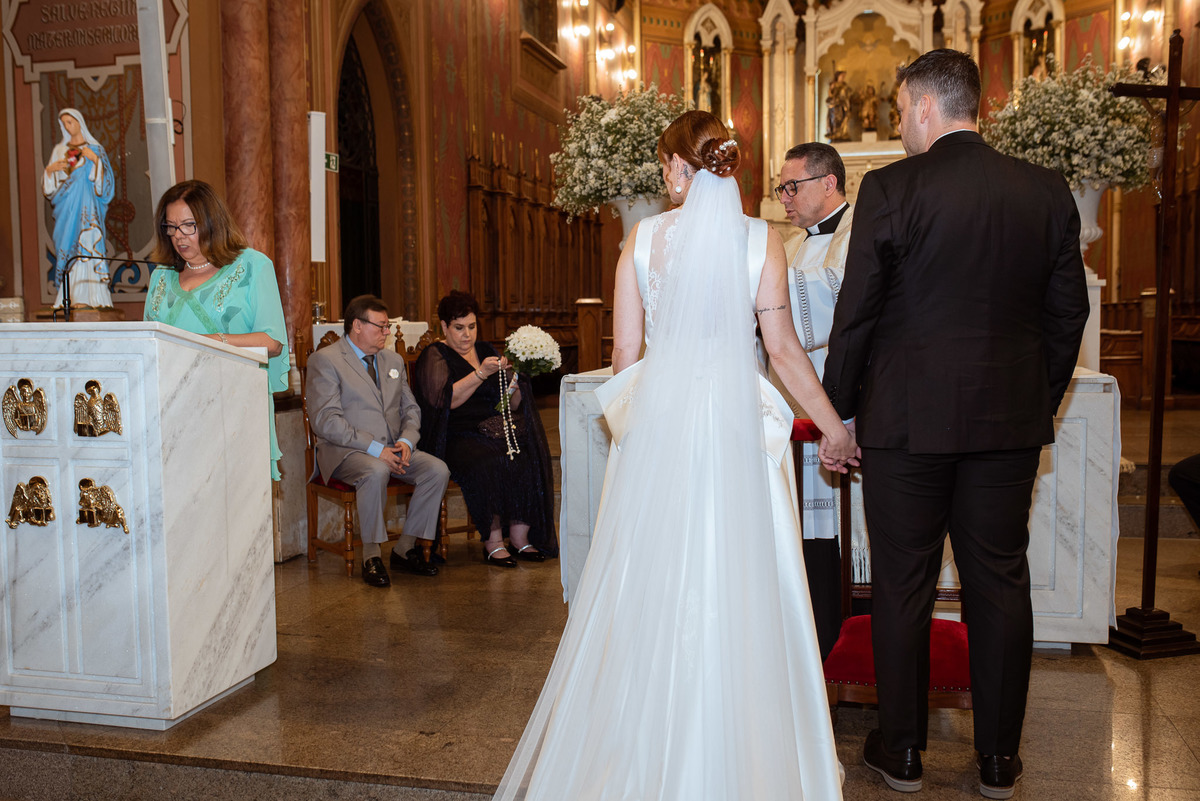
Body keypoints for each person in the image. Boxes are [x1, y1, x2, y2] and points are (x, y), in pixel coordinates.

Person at [493, 110, 857, 800]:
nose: (664, 176)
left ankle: (642, 751)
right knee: (743, 583)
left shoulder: (642, 240)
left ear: (680, 168)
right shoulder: (762, 241)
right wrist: (834, 428)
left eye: (666, 165)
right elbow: (784, 353)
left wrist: (642, 434)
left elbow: (626, 357)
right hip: (737, 437)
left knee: (649, 584)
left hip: (660, 434)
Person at [821, 49, 1089, 799]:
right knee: (999, 580)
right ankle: (999, 760)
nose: (899, 122)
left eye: (902, 107)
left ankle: (903, 750)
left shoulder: (891, 188)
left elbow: (858, 312)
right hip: (1008, 424)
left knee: (902, 583)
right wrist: (1035, 397)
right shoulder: (1044, 189)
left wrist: (840, 408)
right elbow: (1068, 313)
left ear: (926, 106)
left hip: (905, 425)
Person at [144, 179, 290, 480]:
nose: (179, 236)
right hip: (173, 406)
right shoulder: (161, 276)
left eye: (189, 226)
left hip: (235, 403)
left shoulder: (252, 266)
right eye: (171, 227)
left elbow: (272, 342)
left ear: (212, 222)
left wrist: (213, 341)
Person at [771, 141, 854, 660]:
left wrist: (760, 279)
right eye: (780, 188)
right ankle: (815, 649)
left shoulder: (860, 234)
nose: (784, 197)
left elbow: (840, 301)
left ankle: (846, 646)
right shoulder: (794, 245)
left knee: (844, 537)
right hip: (800, 414)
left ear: (828, 183)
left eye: (791, 187)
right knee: (808, 537)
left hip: (845, 410)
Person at [306, 295, 450, 587]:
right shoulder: (326, 360)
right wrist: (375, 449)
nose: (386, 332)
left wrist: (407, 441)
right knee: (375, 470)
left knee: (437, 470)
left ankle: (404, 549)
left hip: (393, 448)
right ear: (357, 325)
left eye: (387, 327)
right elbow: (326, 421)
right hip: (346, 451)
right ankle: (371, 556)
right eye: (381, 326)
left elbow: (411, 409)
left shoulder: (392, 360)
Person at [411, 291, 557, 567]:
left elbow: (510, 404)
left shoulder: (487, 350)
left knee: (526, 453)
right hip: (455, 434)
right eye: (459, 328)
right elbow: (445, 401)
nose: (467, 335)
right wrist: (480, 374)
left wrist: (517, 382)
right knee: (489, 460)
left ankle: (519, 538)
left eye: (472, 326)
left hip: (493, 429)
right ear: (444, 326)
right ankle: (493, 541)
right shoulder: (435, 355)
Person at [44, 108, 115, 309]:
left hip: (88, 207)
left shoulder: (95, 149)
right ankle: (69, 297)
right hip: (67, 208)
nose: (68, 127)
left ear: (79, 122)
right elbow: (51, 188)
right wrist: (50, 171)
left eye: (70, 122)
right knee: (68, 247)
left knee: (89, 243)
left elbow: (105, 186)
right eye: (64, 123)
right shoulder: (60, 150)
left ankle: (95, 297)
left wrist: (95, 161)